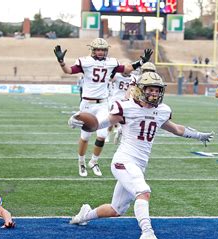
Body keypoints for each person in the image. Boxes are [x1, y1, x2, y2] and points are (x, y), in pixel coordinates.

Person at [67, 72, 213, 239]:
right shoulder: (125, 107)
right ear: (140, 90)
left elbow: (177, 129)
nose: (155, 94)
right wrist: (78, 120)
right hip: (124, 160)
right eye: (150, 90)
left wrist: (198, 135)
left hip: (139, 164)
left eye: (158, 90)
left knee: (116, 209)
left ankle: (84, 215)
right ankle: (147, 233)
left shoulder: (162, 110)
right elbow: (100, 124)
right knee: (143, 191)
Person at [54, 38, 153, 177]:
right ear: (93, 50)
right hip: (87, 104)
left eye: (103, 50)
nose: (101, 52)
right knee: (85, 136)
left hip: (102, 103)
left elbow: (126, 69)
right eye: (98, 50)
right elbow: (69, 71)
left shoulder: (111, 62)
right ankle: (81, 162)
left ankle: (94, 161)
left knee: (102, 134)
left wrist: (141, 62)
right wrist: (61, 62)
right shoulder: (85, 61)